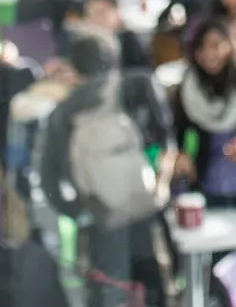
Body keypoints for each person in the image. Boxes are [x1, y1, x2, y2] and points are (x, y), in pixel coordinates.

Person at [39, 29, 176, 307]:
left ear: (74, 65)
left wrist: (82, 212)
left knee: (107, 296)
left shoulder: (62, 113)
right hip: (145, 214)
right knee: (154, 292)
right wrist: (160, 186)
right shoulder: (138, 85)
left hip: (101, 225)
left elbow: (49, 182)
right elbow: (166, 142)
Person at [171, 17, 236, 208]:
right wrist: (184, 154)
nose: (209, 54)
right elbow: (182, 130)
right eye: (201, 47)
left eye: (216, 45)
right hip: (205, 189)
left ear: (229, 44)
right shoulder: (189, 87)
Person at [80, 0, 152, 70]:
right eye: (91, 14)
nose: (96, 19)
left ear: (116, 11)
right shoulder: (85, 46)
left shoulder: (129, 41)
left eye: (101, 12)